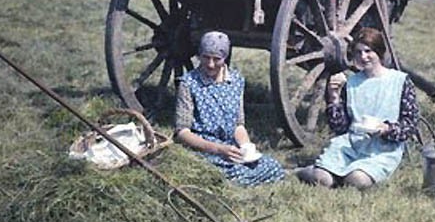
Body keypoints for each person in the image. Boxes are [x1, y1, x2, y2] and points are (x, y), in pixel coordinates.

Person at [297, 27, 419, 190]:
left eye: (368, 51)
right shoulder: (351, 83)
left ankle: (346, 176)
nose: (363, 57)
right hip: (350, 145)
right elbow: (340, 128)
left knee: (356, 179)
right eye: (358, 52)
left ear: (379, 52)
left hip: (382, 149)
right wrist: (334, 98)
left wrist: (386, 129)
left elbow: (410, 124)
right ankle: (305, 172)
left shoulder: (399, 81)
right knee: (321, 179)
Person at [174, 31, 285, 186]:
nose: (210, 64)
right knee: (235, 173)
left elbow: (238, 125)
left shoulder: (236, 81)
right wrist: (218, 149)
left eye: (216, 59)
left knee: (274, 167)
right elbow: (182, 132)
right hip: (204, 148)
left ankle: (244, 177)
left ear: (225, 57)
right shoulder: (188, 84)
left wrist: (246, 147)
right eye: (205, 57)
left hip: (230, 147)